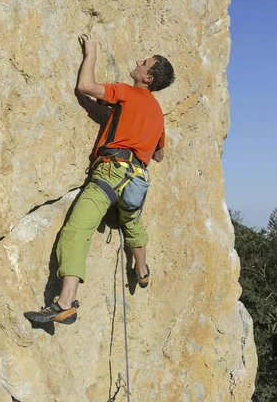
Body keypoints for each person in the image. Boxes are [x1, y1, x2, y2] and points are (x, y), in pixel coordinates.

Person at [24, 34, 175, 326]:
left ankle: (65, 303)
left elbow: (85, 87)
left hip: (111, 171)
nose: (137, 62)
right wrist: (128, 125)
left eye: (143, 63)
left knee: (77, 229)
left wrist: (90, 52)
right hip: (137, 179)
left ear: (147, 77)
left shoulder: (128, 93)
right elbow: (158, 155)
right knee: (132, 221)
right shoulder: (157, 112)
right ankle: (142, 270)